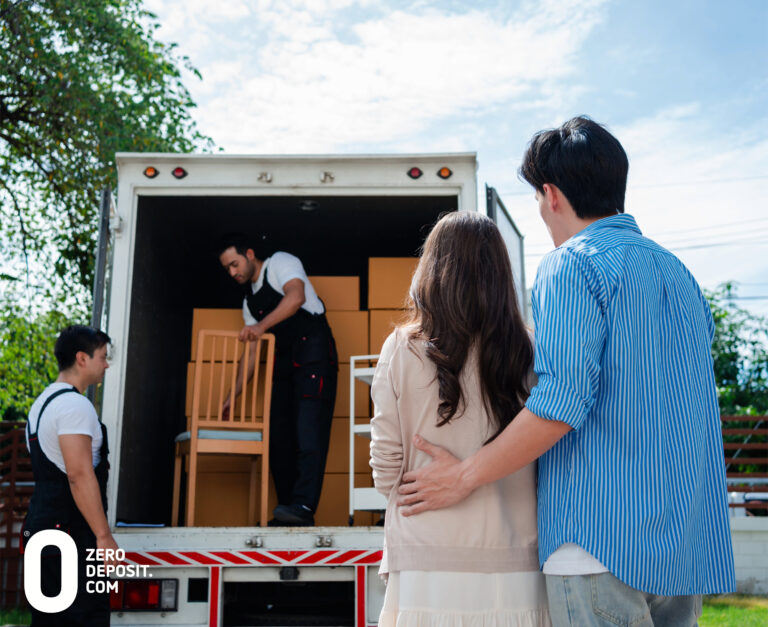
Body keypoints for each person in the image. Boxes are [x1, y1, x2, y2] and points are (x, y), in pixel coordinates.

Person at [397, 117, 735, 626]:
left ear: (550, 195)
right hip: (682, 546)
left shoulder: (570, 264)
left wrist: (464, 476)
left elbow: (561, 402)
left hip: (598, 542)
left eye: (537, 198)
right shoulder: (678, 273)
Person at [370, 212, 550, 626]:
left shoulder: (401, 347)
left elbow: (385, 473)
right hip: (517, 562)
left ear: (431, 268)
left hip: (425, 559)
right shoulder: (534, 350)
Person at [218, 234, 338, 526]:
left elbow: (295, 297)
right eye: (228, 269)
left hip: (313, 357)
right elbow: (251, 353)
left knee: (309, 434)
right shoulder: (250, 302)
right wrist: (232, 396)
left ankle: (303, 506)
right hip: (284, 368)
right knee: (278, 439)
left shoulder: (280, 263)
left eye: (235, 264)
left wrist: (260, 326)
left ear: (249, 254)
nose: (233, 272)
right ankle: (288, 510)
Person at [23, 325, 118, 626]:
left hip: (41, 531)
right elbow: (78, 475)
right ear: (81, 358)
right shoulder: (75, 406)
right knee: (85, 618)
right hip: (72, 539)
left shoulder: (40, 406)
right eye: (102, 357)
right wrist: (103, 537)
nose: (106, 364)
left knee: (48, 621)